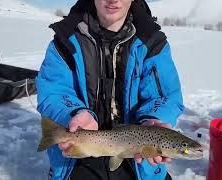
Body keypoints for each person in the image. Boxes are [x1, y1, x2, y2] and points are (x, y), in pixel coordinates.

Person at [36, 0, 184, 179]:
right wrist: (73, 113)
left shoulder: (152, 43)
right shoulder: (65, 40)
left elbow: (165, 96)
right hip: (81, 149)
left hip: (138, 160)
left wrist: (154, 118)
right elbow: (54, 90)